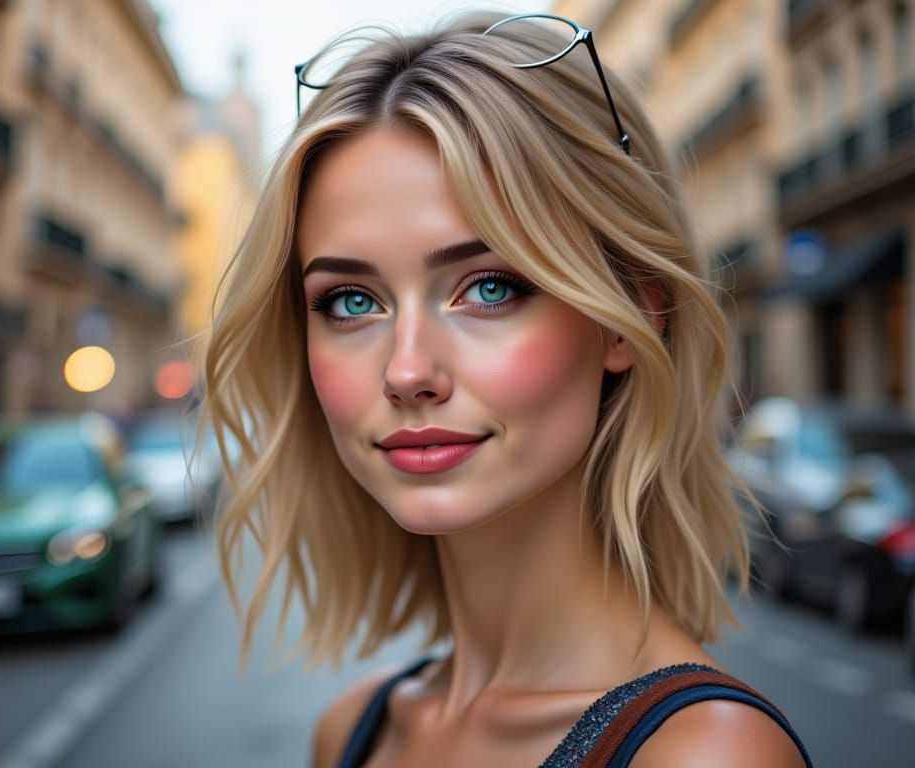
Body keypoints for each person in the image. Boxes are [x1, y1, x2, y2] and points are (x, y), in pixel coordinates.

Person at [201, 11, 813, 768]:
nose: (407, 371)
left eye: (488, 288)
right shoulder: (351, 733)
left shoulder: (706, 755)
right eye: (352, 302)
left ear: (628, 321)